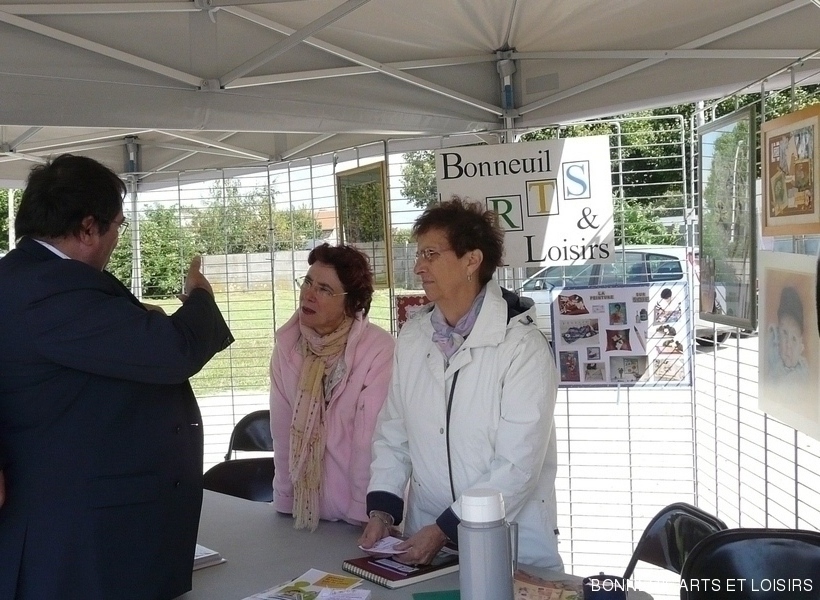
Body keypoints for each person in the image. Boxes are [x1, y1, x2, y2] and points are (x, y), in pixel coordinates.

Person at [0, 154, 234, 600]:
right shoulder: (51, 289)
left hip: (59, 521)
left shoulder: (20, 280)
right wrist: (201, 298)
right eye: (117, 226)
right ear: (89, 227)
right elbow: (171, 352)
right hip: (73, 539)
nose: (115, 239)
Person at [359, 197, 562, 570]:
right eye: (419, 254)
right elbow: (394, 434)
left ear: (472, 261)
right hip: (423, 545)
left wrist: (444, 530)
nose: (418, 267)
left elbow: (516, 466)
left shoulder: (522, 347)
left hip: (509, 547)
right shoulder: (414, 337)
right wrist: (383, 511)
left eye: (431, 254)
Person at [270, 243, 394, 531]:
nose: (309, 294)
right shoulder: (287, 347)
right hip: (306, 514)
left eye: (324, 289)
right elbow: (282, 431)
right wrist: (286, 501)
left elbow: (369, 441)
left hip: (362, 517)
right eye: (307, 282)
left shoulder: (379, 350)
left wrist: (364, 512)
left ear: (352, 303)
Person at [767, 285, 808, 382]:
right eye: (784, 333)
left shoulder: (802, 369)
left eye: (794, 339)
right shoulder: (774, 363)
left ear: (800, 347)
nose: (788, 345)